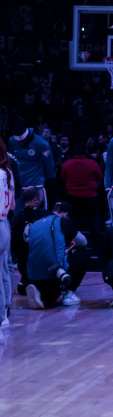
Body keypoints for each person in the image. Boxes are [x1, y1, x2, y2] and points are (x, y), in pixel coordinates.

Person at [24, 202, 88, 309]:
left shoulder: (34, 224)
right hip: (56, 276)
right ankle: (69, 294)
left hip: (32, 275)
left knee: (50, 299)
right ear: (66, 215)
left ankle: (39, 292)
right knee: (84, 253)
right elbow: (84, 241)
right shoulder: (63, 221)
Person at [60, 142, 103, 236]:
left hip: (73, 197)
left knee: (74, 220)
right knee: (93, 221)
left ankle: (72, 242)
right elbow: (100, 176)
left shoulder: (67, 163)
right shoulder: (92, 163)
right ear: (86, 152)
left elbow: (63, 177)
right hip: (90, 198)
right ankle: (97, 245)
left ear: (74, 152)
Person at [9, 121, 55, 210]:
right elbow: (12, 161)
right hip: (19, 187)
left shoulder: (41, 143)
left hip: (36, 187)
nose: (21, 143)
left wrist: (48, 185)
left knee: (37, 217)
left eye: (22, 141)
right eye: (19, 141)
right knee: (18, 217)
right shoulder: (12, 141)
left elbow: (49, 167)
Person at [0, 141, 14, 333]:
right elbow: (12, 206)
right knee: (4, 270)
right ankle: (4, 314)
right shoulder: (7, 173)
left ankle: (2, 317)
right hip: (4, 223)